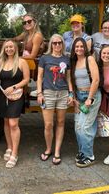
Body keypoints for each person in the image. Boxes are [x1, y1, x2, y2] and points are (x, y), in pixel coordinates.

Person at [37, 34, 74, 165]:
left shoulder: (66, 59)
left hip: (63, 93)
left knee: (60, 122)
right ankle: (48, 149)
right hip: (48, 93)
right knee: (48, 124)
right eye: (54, 43)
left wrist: (71, 93)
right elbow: (40, 77)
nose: (57, 45)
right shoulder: (44, 58)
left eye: (59, 43)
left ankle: (57, 151)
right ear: (51, 44)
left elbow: (68, 78)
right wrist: (39, 93)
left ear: (62, 44)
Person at [0, 40, 30, 168]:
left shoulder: (21, 62)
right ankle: (9, 147)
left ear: (15, 48)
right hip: (3, 95)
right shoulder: (1, 62)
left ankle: (15, 153)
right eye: (7, 47)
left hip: (16, 95)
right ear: (4, 49)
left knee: (13, 123)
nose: (9, 49)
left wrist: (14, 87)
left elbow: (26, 79)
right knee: (5, 122)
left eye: (11, 47)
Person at [70, 37, 101, 168]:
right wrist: (74, 97)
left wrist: (90, 98)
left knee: (85, 127)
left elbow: (96, 80)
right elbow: (71, 81)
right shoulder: (74, 61)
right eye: (76, 47)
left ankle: (89, 156)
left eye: (81, 46)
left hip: (91, 97)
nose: (79, 49)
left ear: (85, 48)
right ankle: (82, 152)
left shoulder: (90, 59)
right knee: (78, 127)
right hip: (79, 97)